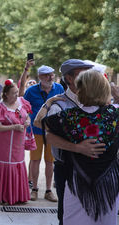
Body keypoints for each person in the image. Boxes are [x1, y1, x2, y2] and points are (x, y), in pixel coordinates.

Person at [44, 69, 119, 225]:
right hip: (108, 185)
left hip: (77, 184)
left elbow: (47, 134)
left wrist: (76, 147)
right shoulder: (114, 115)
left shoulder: (70, 117)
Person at [32, 59, 101, 225]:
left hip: (92, 166)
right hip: (67, 167)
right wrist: (77, 148)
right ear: (69, 78)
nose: (88, 76)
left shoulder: (95, 101)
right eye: (82, 73)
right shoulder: (59, 104)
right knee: (66, 215)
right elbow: (43, 129)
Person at [24, 65, 64, 202]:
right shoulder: (30, 91)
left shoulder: (59, 88)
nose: (50, 77)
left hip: (52, 131)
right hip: (35, 131)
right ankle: (34, 189)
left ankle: (48, 190)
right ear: (40, 77)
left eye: (52, 74)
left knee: (50, 161)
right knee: (35, 160)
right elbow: (24, 108)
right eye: (47, 75)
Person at [0, 79, 31, 205]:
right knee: (7, 165)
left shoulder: (22, 102)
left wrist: (27, 121)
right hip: (4, 145)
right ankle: (5, 195)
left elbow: (27, 115)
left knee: (18, 163)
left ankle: (18, 195)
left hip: (18, 144)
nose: (16, 95)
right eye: (14, 93)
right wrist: (14, 127)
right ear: (6, 94)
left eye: (17, 92)